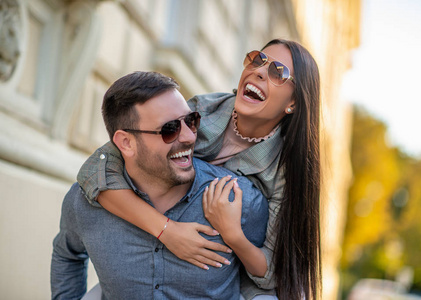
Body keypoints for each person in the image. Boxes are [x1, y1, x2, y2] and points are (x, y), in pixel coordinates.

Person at [77, 38, 321, 300]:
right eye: (258, 59)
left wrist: (233, 234)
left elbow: (272, 272)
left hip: (234, 276)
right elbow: (96, 170)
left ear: (293, 104)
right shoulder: (199, 111)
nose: (259, 71)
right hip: (164, 255)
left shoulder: (286, 169)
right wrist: (166, 230)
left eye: (278, 73)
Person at [51, 71, 269, 300]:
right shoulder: (84, 203)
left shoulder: (240, 200)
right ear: (126, 143)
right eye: (170, 129)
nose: (188, 137)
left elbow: (271, 283)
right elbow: (67, 254)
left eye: (190, 121)